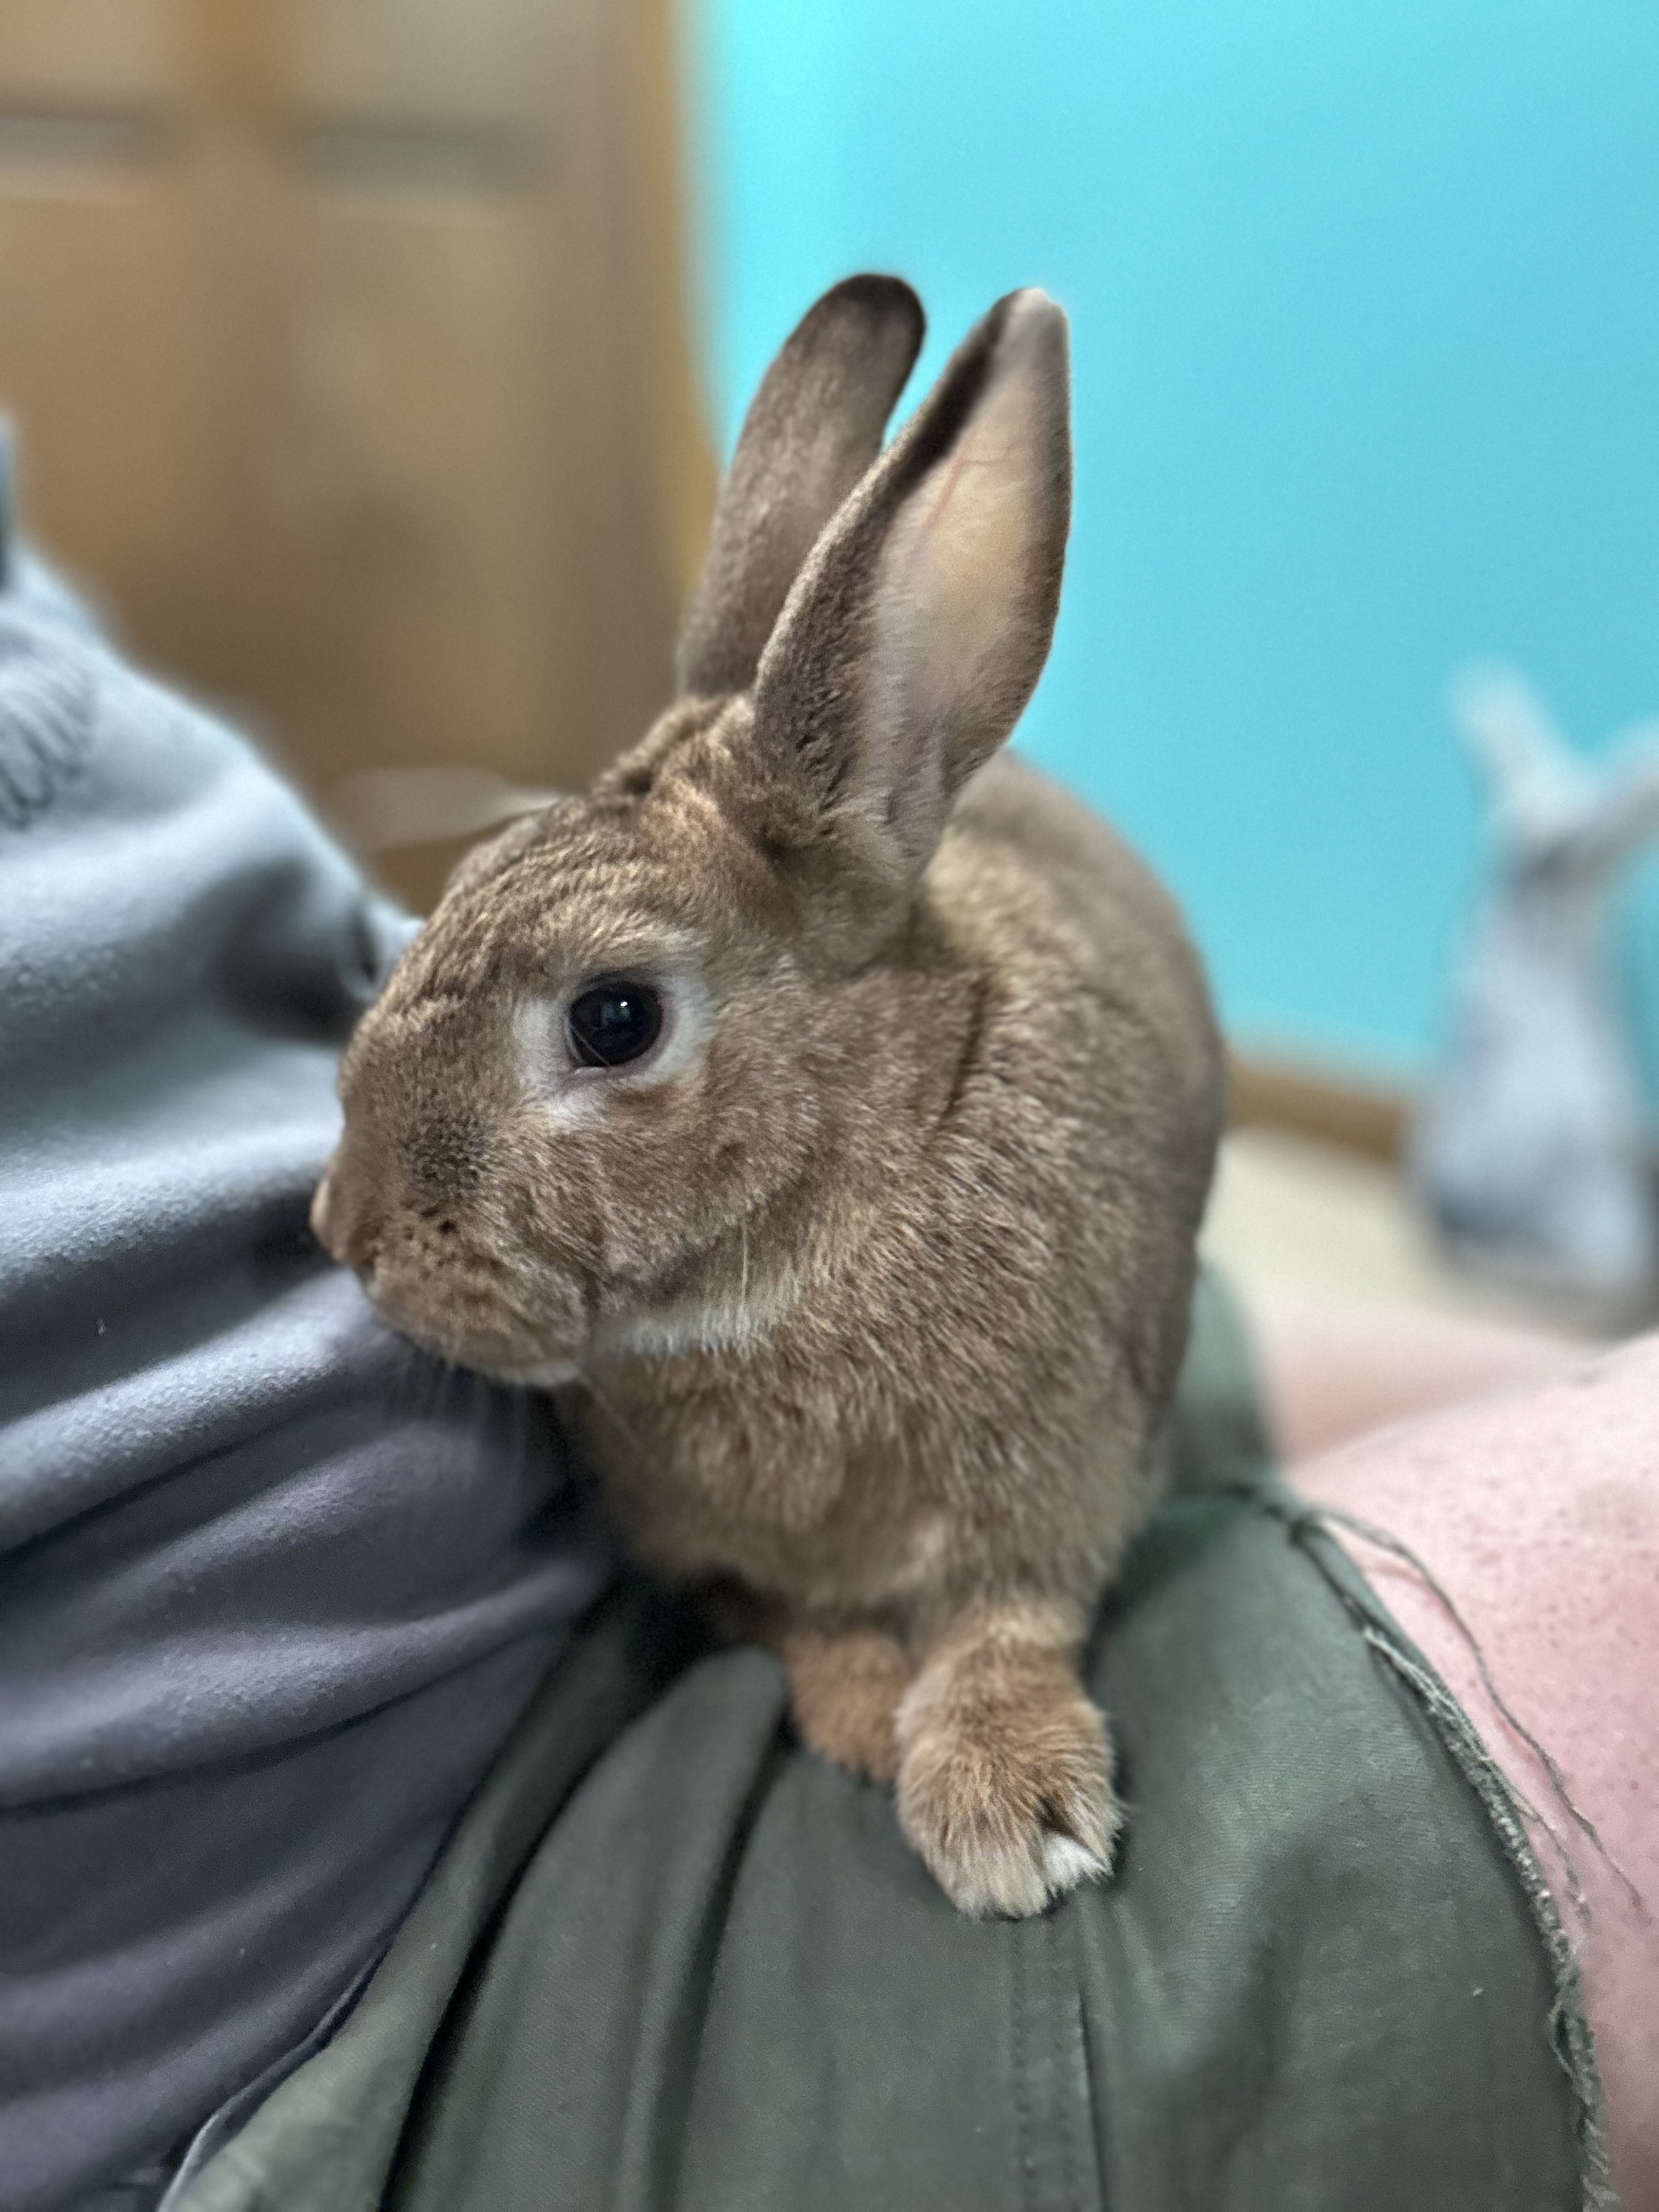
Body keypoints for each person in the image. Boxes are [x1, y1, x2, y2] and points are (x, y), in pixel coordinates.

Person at [1, 534, 1650, 2212]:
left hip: (933, 1331)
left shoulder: (1004, 1211)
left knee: (1548, 1381)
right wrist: (814, 1634)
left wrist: (1004, 1627)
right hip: (357, 2016)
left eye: (619, 1026)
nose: (337, 1220)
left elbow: (1072, 1420)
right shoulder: (620, 1308)